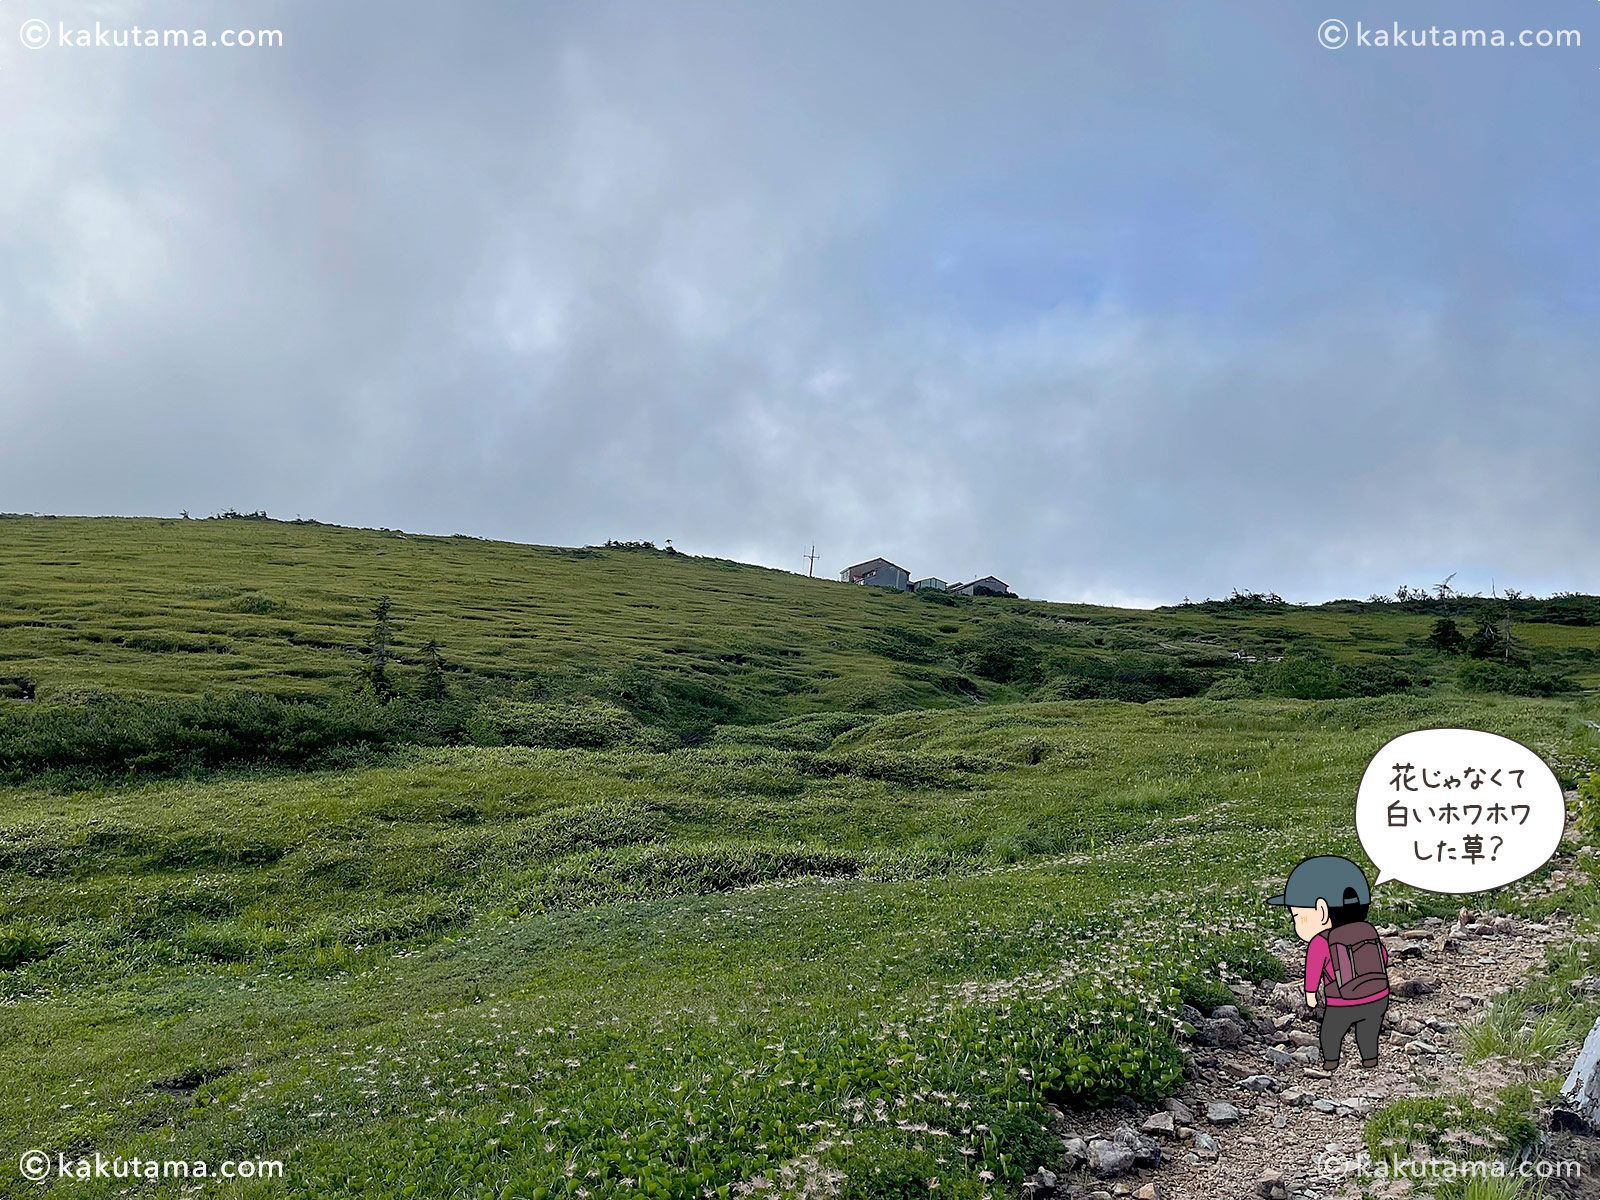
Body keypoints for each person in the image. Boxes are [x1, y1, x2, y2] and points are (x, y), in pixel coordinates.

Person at [1267, 856, 1390, 1069]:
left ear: (1322, 911)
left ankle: (1331, 1061)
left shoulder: (1321, 940)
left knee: (1331, 1032)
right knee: (1368, 1030)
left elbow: (1313, 972)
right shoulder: (1367, 930)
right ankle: (1369, 1058)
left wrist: (1311, 995)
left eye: (1297, 915)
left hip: (1343, 1001)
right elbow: (1383, 958)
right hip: (1378, 996)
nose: (1296, 921)